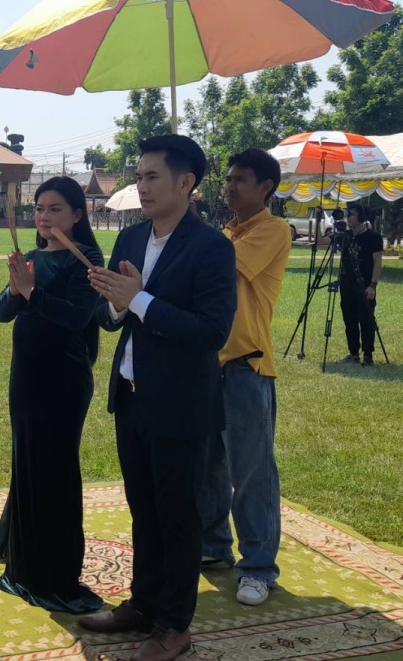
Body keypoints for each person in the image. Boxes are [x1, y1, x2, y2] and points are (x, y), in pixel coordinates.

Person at [79, 135, 237, 661]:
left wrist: (140, 299)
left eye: (152, 177)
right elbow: (107, 317)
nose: (141, 186)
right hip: (131, 395)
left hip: (181, 404)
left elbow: (211, 331)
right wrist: (120, 307)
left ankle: (174, 626)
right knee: (143, 510)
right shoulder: (129, 240)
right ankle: (143, 605)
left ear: (186, 183)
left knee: (177, 515)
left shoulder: (212, 247)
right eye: (139, 176)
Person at [0, 176, 105, 614]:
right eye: (39, 208)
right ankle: (22, 566)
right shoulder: (32, 258)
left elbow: (76, 318)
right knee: (27, 464)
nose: (43, 217)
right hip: (26, 378)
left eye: (55, 209)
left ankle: (55, 574)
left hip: (65, 381)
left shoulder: (85, 260)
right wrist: (18, 288)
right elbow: (1, 312)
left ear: (77, 215)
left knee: (55, 472)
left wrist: (31, 292)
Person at [197, 149, 291, 607]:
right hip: (209, 366)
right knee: (209, 464)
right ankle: (213, 548)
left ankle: (258, 567)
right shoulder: (227, 231)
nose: (229, 187)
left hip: (247, 366)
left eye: (240, 179)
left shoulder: (272, 230)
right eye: (228, 179)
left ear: (265, 187)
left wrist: (186, 228)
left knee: (251, 472)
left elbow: (217, 265)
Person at [338, 203, 384, 366]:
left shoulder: (374, 238)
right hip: (346, 284)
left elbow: (377, 262)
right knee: (349, 320)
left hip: (364, 285)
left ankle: (368, 355)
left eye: (351, 214)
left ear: (361, 217)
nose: (348, 218)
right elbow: (319, 241)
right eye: (347, 214)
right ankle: (353, 353)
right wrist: (318, 218)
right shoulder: (346, 236)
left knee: (366, 320)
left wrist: (373, 285)